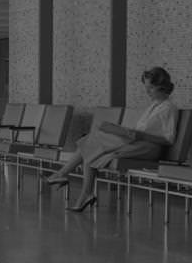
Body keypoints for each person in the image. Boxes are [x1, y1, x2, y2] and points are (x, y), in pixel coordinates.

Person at [43, 67, 179, 212]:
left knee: (93, 146)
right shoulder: (153, 106)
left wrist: (140, 135)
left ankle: (65, 177)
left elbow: (169, 139)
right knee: (92, 145)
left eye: (151, 88)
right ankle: (79, 189)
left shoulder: (169, 108)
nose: (147, 92)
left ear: (162, 86)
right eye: (146, 88)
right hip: (137, 142)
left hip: (149, 148)